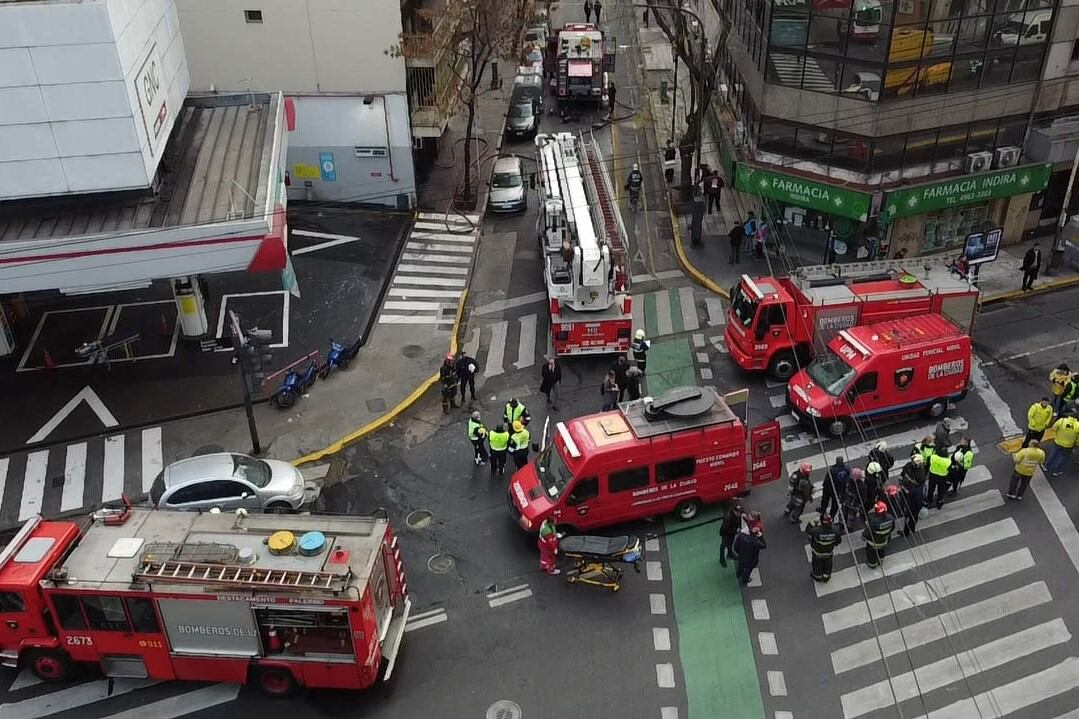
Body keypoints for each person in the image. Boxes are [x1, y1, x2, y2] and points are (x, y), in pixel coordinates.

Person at [806, 514, 839, 583]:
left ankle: (817, 576)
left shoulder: (816, 531)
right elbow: (838, 541)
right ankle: (826, 577)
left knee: (817, 564)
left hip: (817, 553)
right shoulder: (835, 531)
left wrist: (812, 522)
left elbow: (808, 531)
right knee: (828, 564)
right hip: (828, 553)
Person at [1046, 410, 1079, 477]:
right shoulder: (1078, 425)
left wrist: (1059, 433)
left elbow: (1053, 428)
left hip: (1058, 441)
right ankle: (1056, 471)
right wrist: (1076, 443)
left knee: (1053, 454)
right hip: (1068, 445)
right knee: (1062, 457)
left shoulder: (1062, 421)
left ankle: (1046, 466)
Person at [863, 501, 895, 569]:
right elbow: (892, 528)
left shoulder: (873, 521)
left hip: (873, 542)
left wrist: (863, 536)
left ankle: (872, 564)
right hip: (884, 540)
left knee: (871, 553)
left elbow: (867, 532)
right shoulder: (891, 518)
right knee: (881, 550)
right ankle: (880, 560)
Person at [926, 445, 952, 510]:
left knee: (931, 489)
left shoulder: (932, 457)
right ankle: (939, 503)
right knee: (941, 491)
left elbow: (927, 466)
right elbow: (950, 471)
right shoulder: (948, 461)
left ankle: (929, 501)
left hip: (933, 476)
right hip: (942, 478)